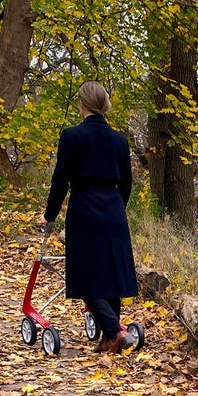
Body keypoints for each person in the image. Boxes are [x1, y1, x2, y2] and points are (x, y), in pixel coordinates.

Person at [40, 80, 139, 353]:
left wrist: (49, 214)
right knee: (110, 275)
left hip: (84, 208)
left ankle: (115, 331)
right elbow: (127, 183)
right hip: (114, 210)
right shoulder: (119, 140)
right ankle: (109, 339)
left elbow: (60, 181)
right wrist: (117, 208)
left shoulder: (72, 136)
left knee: (84, 275)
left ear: (81, 103)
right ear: (104, 105)